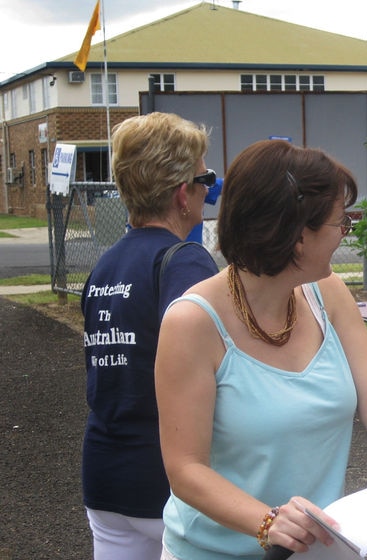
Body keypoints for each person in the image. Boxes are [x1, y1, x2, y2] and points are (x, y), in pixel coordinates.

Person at [154, 139, 367, 560]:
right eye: (340, 223)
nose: (346, 233)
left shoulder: (328, 292)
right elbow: (185, 469)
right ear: (297, 235)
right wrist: (267, 521)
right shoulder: (192, 322)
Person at [80, 112, 219, 559]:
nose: (209, 190)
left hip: (104, 475)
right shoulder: (185, 261)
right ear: (183, 194)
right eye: (206, 177)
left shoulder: (105, 266)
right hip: (163, 481)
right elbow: (216, 364)